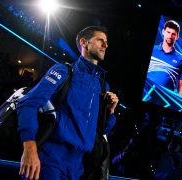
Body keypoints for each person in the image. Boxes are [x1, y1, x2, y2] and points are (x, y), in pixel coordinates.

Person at [16, 26, 118, 180]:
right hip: (51, 159)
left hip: (78, 168)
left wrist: (110, 112)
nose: (106, 45)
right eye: (100, 40)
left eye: (106, 42)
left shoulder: (102, 85)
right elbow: (28, 104)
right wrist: (29, 147)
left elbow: (100, 131)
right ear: (84, 42)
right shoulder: (64, 71)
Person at [146, 20, 182, 96]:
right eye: (168, 32)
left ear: (177, 36)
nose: (170, 36)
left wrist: (179, 104)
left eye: (173, 34)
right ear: (163, 31)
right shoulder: (152, 50)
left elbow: (181, 85)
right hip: (146, 95)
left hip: (166, 100)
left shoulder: (181, 59)